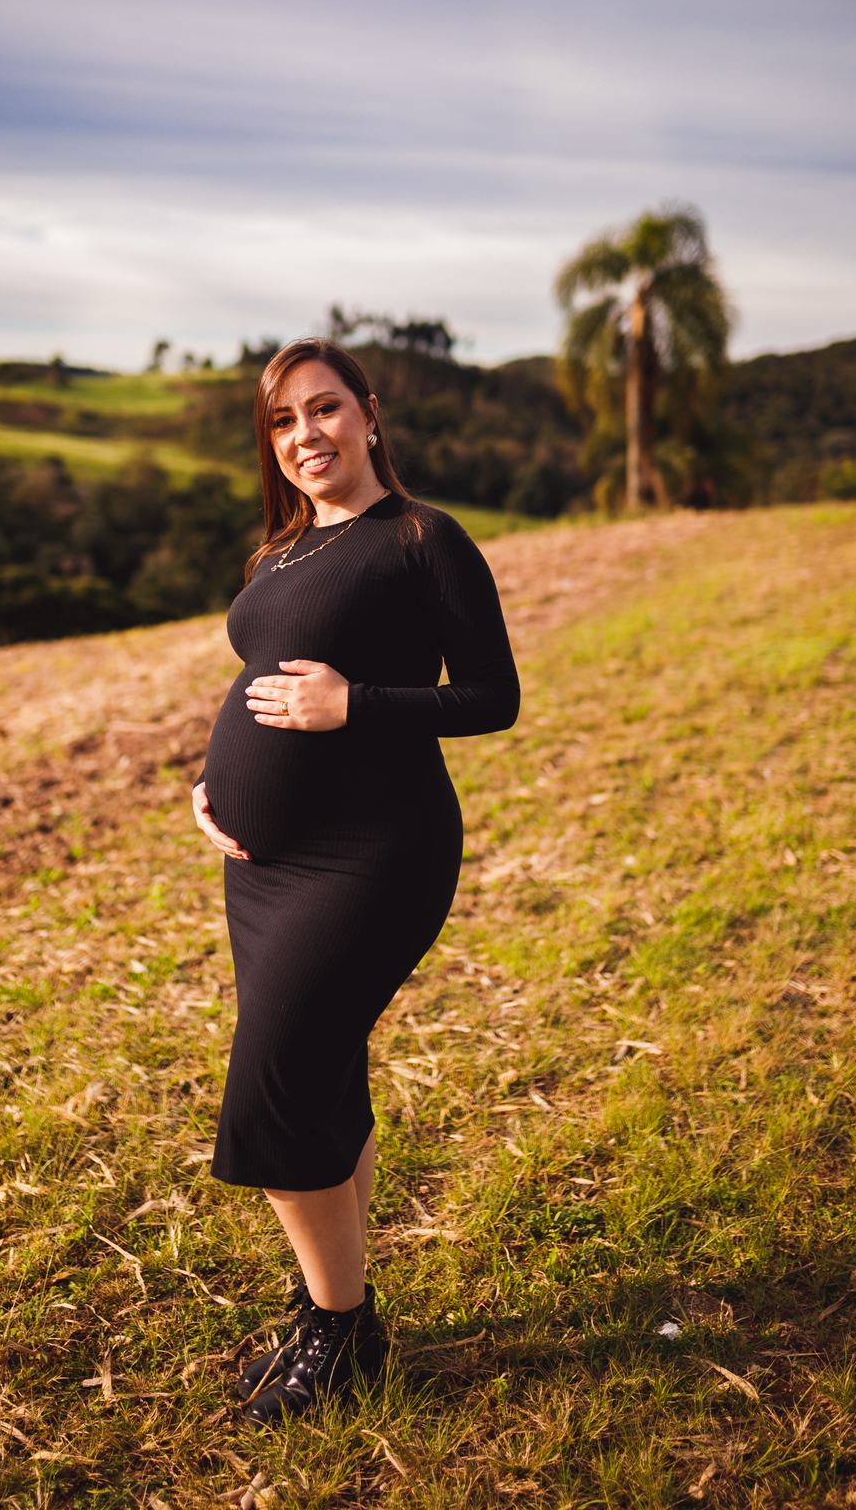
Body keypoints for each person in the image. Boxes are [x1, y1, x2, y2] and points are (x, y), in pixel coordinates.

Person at [192, 337, 519, 1424]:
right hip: (267, 869)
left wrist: (358, 704)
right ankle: (337, 1312)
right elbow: (257, 681)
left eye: (323, 411)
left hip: (372, 856)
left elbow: (491, 697)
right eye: (283, 423)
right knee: (324, 1075)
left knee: (276, 1091)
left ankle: (338, 1335)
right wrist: (215, 789)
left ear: (370, 415)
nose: (305, 438)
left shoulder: (423, 540)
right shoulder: (280, 552)